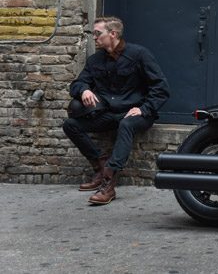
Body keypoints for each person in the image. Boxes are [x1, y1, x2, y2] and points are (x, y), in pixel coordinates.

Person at [63, 16, 170, 205]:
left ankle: (108, 183)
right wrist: (84, 89)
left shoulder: (139, 54)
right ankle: (99, 165)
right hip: (109, 113)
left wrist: (144, 108)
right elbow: (77, 83)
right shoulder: (95, 60)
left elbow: (161, 88)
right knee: (70, 125)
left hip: (136, 113)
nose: (94, 38)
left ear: (113, 34)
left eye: (98, 33)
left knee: (126, 124)